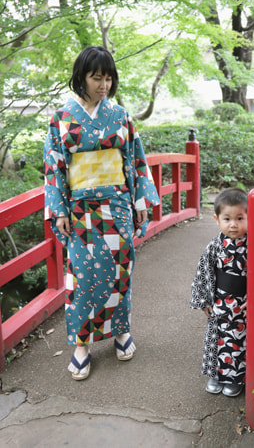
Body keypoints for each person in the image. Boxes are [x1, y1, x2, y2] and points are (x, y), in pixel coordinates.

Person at [44, 45, 160, 380]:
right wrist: (59, 208)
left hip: (117, 204)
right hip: (80, 209)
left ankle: (120, 330)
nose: (104, 85)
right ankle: (82, 344)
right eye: (97, 77)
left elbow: (136, 160)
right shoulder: (61, 119)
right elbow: (53, 168)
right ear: (81, 77)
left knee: (120, 271)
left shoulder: (120, 115)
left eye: (108, 78)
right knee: (82, 276)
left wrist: (140, 203)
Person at [190, 188, 247, 397]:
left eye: (240, 218)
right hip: (220, 301)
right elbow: (204, 271)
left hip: (242, 304)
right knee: (217, 338)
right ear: (217, 220)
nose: (233, 224)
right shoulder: (215, 245)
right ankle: (216, 374)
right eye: (227, 218)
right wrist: (205, 300)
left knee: (239, 340)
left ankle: (235, 378)